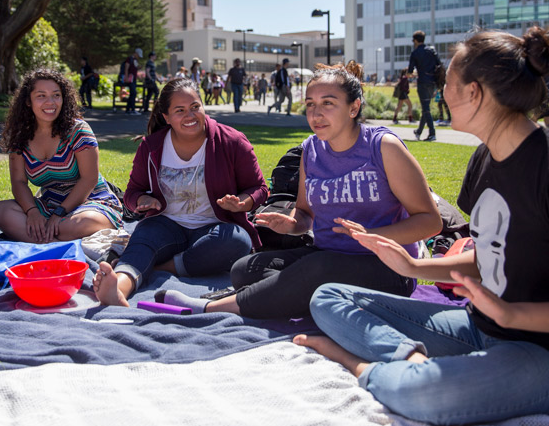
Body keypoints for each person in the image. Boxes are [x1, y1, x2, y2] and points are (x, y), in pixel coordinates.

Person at [294, 27, 549, 426]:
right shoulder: (484, 159)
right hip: (477, 326)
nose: (439, 90)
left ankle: (356, 363)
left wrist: (511, 314)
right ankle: (408, 358)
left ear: (474, 93)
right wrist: (413, 269)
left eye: (446, 81)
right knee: (328, 297)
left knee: (424, 393)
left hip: (536, 349)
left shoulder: (544, 164)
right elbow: (493, 258)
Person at [155, 62, 441, 319]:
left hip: (387, 267)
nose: (316, 114)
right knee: (245, 269)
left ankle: (211, 308)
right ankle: (318, 300)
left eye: (328, 103)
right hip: (326, 256)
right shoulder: (311, 150)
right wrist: (292, 224)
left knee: (317, 270)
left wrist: (372, 237)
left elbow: (430, 221)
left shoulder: (383, 147)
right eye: (310, 104)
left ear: (354, 108)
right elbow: (304, 214)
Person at [93, 77, 269, 307]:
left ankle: (158, 265)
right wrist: (143, 200)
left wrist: (242, 204)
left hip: (215, 227)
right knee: (143, 238)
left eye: (195, 107)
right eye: (180, 110)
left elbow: (260, 188)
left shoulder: (232, 141)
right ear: (166, 117)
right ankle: (118, 288)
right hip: (166, 224)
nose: (190, 115)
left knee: (237, 241)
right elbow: (132, 193)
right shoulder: (151, 146)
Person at [0, 69, 123, 242]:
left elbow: (89, 179)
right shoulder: (19, 136)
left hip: (91, 202)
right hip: (48, 204)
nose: (50, 102)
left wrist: (60, 213)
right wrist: (33, 212)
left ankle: (42, 239)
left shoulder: (78, 130)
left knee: (82, 222)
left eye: (56, 95)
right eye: (41, 96)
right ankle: (55, 241)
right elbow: (18, 182)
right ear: (28, 101)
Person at [408, 30, 441, 141]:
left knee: (426, 108)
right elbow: (439, 65)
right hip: (432, 82)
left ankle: (432, 133)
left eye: (413, 40)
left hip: (422, 82)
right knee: (425, 107)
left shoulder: (415, 53)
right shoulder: (432, 51)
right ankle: (419, 131)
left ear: (416, 40)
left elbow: (410, 71)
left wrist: (412, 74)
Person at [124, 48, 142, 115]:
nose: (139, 57)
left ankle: (128, 110)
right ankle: (132, 109)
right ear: (136, 53)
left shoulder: (135, 60)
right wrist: (126, 77)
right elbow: (126, 67)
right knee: (133, 93)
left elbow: (135, 67)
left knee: (132, 94)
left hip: (133, 79)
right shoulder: (130, 59)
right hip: (130, 78)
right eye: (138, 55)